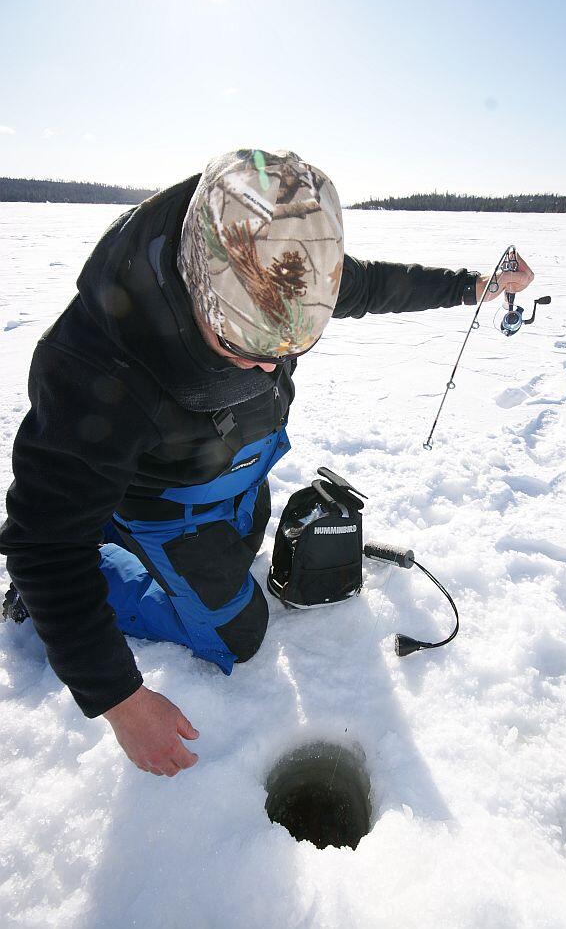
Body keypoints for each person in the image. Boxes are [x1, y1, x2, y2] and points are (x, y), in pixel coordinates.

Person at [0, 149, 532, 777]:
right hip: (166, 504)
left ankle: (121, 529)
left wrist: (480, 287)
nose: (270, 366)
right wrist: (118, 699)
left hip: (238, 478)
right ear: (198, 283)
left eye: (293, 345)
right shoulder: (95, 365)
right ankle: (77, 578)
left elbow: (378, 285)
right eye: (243, 345)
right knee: (238, 634)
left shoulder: (283, 263)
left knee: (249, 544)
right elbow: (42, 541)